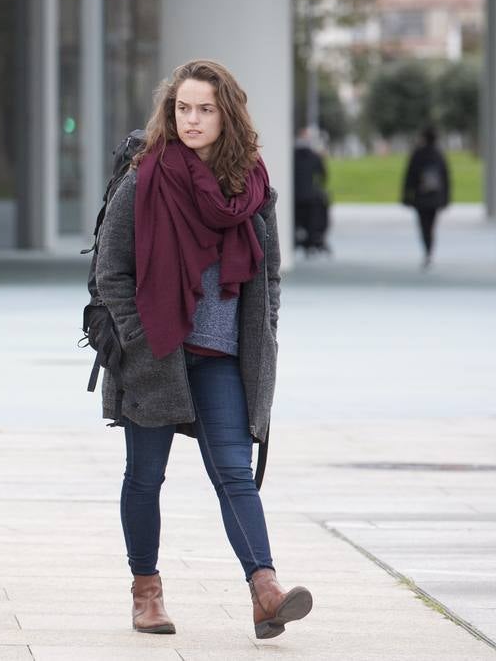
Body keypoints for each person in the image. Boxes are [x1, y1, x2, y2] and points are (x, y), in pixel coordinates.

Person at [94, 59, 312, 640]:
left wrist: (264, 330)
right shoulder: (145, 177)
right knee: (145, 476)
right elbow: (110, 271)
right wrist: (140, 343)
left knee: (235, 474)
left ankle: (265, 590)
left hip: (223, 356)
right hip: (156, 353)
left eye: (204, 110)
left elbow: (268, 277)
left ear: (227, 115)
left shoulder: (253, 184)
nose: (191, 120)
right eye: (182, 109)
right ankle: (147, 594)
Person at [401, 127, 451, 269]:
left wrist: (406, 196)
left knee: (424, 226)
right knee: (431, 226)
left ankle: (427, 250)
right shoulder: (439, 155)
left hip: (421, 198)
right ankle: (429, 251)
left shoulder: (418, 155)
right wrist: (446, 198)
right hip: (434, 198)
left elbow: (409, 177)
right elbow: (446, 179)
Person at [292, 127, 329, 255]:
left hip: (294, 197)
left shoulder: (291, 156)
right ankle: (315, 238)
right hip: (310, 198)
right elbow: (323, 176)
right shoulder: (315, 156)